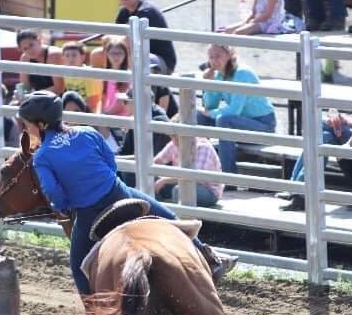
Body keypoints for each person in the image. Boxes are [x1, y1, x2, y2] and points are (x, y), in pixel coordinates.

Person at [17, 90, 237, 295]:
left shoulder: (42, 156)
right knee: (168, 216)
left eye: (27, 125)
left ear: (41, 125)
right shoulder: (87, 132)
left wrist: (63, 206)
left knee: (78, 267)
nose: (27, 130)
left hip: (89, 213)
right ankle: (211, 259)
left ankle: (95, 310)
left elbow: (52, 191)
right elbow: (111, 163)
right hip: (120, 195)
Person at [279, 47, 352, 211]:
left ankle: (297, 189)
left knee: (322, 130)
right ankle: (300, 192)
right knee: (325, 134)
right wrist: (340, 118)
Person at [196, 43, 276, 176]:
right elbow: (210, 105)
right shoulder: (219, 75)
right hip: (239, 124)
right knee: (200, 116)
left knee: (224, 120)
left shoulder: (242, 73)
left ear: (229, 55)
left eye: (218, 56)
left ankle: (228, 178)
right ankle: (201, 168)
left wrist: (210, 113)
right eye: (211, 57)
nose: (214, 61)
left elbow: (234, 110)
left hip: (262, 125)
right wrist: (208, 84)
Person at [153, 115, 224, 208]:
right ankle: (154, 210)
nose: (174, 141)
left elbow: (195, 177)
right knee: (151, 180)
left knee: (180, 190)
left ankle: (177, 215)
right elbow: (156, 162)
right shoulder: (174, 144)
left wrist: (165, 180)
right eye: (172, 137)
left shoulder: (203, 147)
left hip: (207, 190)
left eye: (177, 137)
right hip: (182, 183)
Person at [113, 0, 177, 74]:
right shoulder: (123, 11)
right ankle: (110, 83)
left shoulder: (147, 11)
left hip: (160, 60)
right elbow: (115, 38)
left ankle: (140, 84)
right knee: (99, 54)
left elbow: (128, 40)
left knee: (140, 59)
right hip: (134, 54)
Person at [113, 87, 171, 187]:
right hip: (144, 168)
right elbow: (124, 151)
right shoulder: (137, 119)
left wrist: (114, 159)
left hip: (162, 176)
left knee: (128, 171)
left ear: (136, 104)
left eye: (125, 102)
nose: (123, 105)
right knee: (113, 167)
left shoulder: (159, 122)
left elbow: (151, 159)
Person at [217, 0, 286, 35]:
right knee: (226, 30)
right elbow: (254, 12)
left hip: (268, 23)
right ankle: (223, 47)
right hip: (257, 20)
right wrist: (246, 22)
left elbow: (267, 15)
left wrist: (252, 22)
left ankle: (227, 48)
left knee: (238, 32)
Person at [15, 29, 64, 97]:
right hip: (37, 97)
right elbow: (25, 86)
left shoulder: (53, 55)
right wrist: (20, 95)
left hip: (60, 97)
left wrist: (33, 95)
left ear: (39, 41)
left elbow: (59, 88)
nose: (30, 50)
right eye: (25, 49)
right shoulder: (25, 58)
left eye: (31, 45)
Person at [61, 41, 103, 112]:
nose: (70, 59)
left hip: (88, 113)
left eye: (74, 55)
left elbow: (93, 102)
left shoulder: (89, 75)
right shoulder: (64, 74)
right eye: (67, 55)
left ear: (83, 57)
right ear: (63, 58)